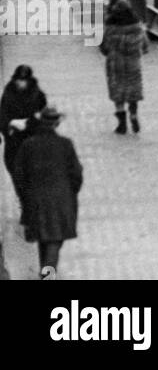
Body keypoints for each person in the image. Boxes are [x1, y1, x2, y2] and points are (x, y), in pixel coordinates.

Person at [13, 104, 82, 278]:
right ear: (56, 123)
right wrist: (69, 192)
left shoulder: (28, 145)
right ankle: (48, 274)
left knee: (44, 239)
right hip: (60, 199)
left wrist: (25, 197)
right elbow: (76, 174)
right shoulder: (65, 144)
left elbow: (19, 175)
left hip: (35, 199)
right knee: (54, 241)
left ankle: (45, 272)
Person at [100, 0, 148, 135]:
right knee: (133, 89)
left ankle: (121, 123)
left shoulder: (110, 27)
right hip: (133, 63)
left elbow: (103, 47)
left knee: (118, 91)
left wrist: (109, 53)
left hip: (115, 64)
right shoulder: (137, 27)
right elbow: (145, 45)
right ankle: (133, 113)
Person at [1, 65, 45, 192]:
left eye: (24, 80)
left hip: (30, 141)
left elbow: (42, 118)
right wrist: (11, 123)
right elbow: (2, 115)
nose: (21, 83)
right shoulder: (8, 93)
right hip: (13, 141)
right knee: (15, 172)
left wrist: (28, 122)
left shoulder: (38, 95)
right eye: (19, 80)